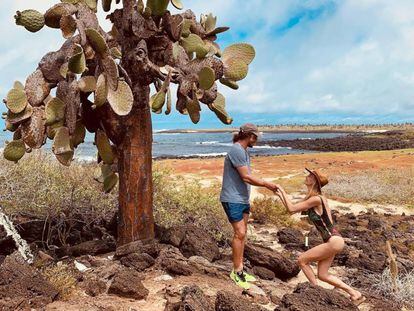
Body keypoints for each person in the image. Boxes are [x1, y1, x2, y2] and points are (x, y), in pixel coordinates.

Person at [274, 168, 366, 305]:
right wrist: (280, 195)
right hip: (334, 240)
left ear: (315, 181)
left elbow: (291, 208)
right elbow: (292, 210)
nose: (307, 176)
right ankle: (355, 293)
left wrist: (281, 190)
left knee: (301, 260)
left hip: (333, 241)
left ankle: (315, 291)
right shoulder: (316, 198)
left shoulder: (316, 199)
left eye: (310, 175)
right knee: (323, 274)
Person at [220, 123, 279, 289]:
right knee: (239, 233)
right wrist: (266, 184)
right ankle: (236, 272)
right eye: (256, 137)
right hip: (232, 199)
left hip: (242, 199)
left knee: (242, 234)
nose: (257, 141)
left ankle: (240, 269)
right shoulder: (237, 150)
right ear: (250, 136)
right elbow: (246, 177)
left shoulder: (244, 151)